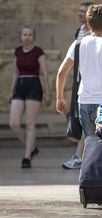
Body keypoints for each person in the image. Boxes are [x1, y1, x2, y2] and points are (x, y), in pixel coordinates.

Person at [56, 4, 102, 139]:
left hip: (85, 102)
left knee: (91, 143)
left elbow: (61, 73)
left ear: (88, 24)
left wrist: (60, 97)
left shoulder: (78, 45)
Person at [9, 25, 52, 168]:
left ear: (34, 37)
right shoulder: (17, 52)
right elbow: (15, 72)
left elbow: (44, 73)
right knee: (13, 123)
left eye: (30, 35)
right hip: (20, 85)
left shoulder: (39, 52)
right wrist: (11, 90)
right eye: (24, 34)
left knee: (30, 123)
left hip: (34, 85)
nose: (27, 37)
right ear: (21, 36)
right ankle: (32, 147)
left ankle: (27, 157)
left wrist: (48, 92)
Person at [62, 1, 94, 170]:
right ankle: (81, 155)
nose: (79, 14)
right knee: (78, 117)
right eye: (79, 11)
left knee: (84, 118)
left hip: (89, 81)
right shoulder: (80, 31)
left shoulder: (95, 33)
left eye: (83, 12)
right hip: (78, 80)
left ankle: (79, 155)